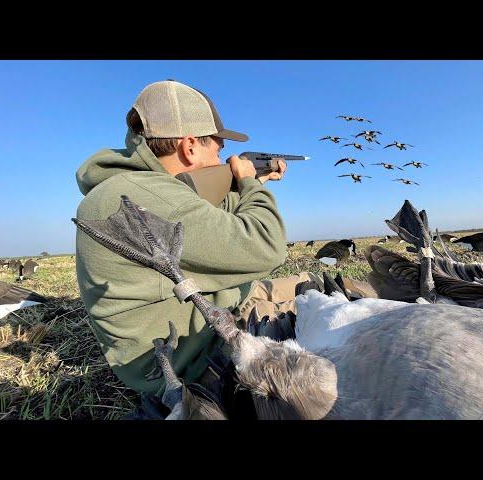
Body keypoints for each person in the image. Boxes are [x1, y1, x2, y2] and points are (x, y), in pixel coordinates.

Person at [75, 79, 375, 396]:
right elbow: (266, 247)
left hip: (210, 313)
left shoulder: (137, 187)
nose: (223, 159)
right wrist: (250, 185)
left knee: (320, 280)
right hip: (198, 356)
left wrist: (248, 182)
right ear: (189, 147)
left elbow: (208, 217)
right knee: (347, 305)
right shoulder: (144, 195)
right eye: (219, 148)